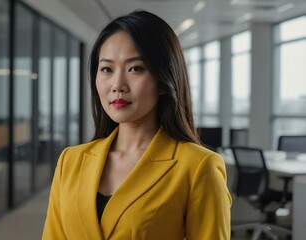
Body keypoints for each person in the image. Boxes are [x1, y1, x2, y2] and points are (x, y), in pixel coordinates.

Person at [43, 10, 231, 240]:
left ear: (163, 81)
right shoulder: (70, 161)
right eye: (107, 69)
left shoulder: (198, 167)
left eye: (135, 68)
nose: (118, 85)